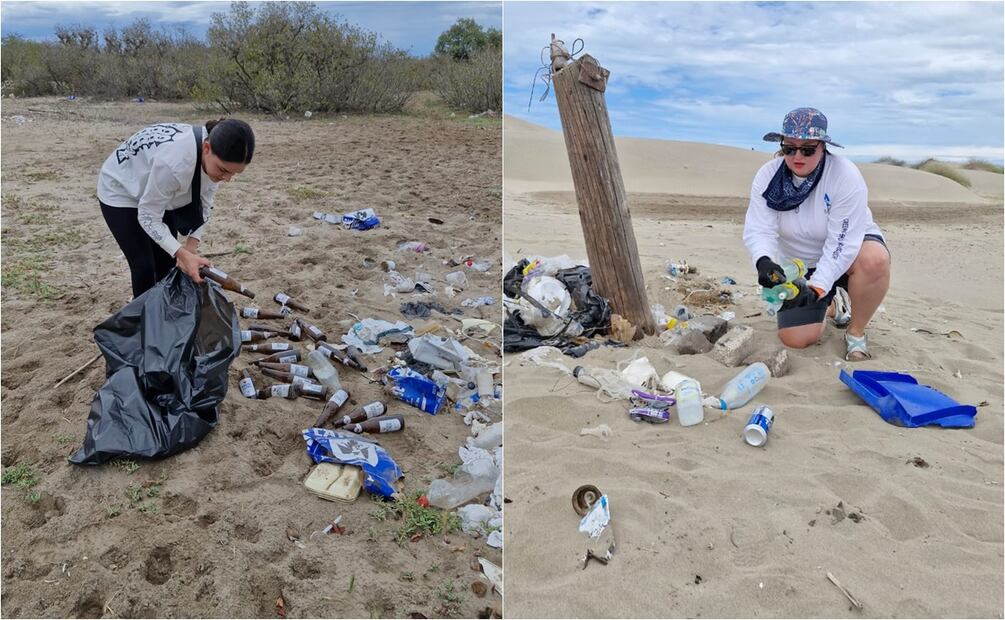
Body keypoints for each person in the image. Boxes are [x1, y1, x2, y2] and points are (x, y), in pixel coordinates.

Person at [743, 108, 890, 361]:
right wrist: (763, 260)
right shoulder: (768, 175)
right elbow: (759, 228)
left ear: (823, 147)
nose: (797, 156)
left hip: (851, 251)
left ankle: (855, 332)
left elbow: (841, 243)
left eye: (808, 149)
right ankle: (834, 306)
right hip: (802, 264)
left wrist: (820, 285)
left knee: (874, 260)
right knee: (796, 339)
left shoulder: (844, 175)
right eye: (789, 148)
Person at [97, 119, 255, 298]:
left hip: (158, 187)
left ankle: (165, 310)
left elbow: (205, 203)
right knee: (144, 265)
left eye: (234, 173)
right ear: (206, 148)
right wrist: (183, 254)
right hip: (120, 188)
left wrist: (189, 249)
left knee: (167, 262)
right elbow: (148, 217)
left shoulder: (214, 161)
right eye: (224, 170)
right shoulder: (174, 164)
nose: (227, 179)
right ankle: (145, 319)